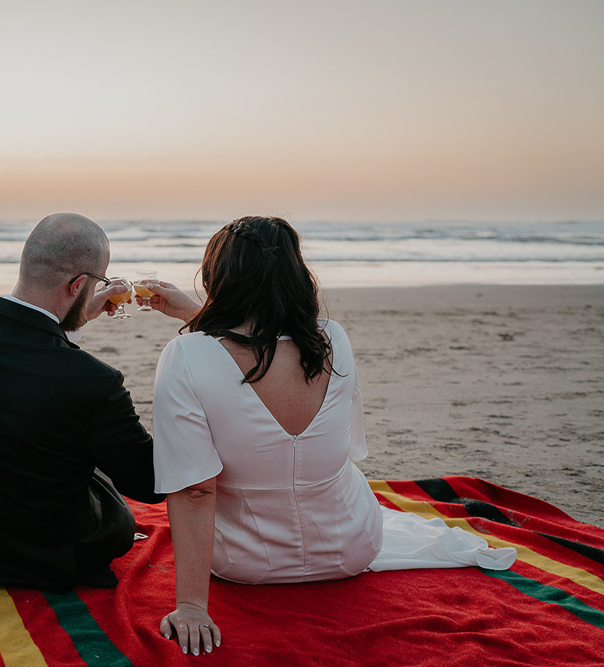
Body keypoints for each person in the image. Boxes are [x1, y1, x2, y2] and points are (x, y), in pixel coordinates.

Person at [142, 216, 515, 657]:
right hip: (352, 548)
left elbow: (195, 491)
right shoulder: (332, 339)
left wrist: (191, 606)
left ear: (216, 277)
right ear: (297, 275)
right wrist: (197, 315)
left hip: (244, 563)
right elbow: (337, 434)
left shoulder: (184, 355)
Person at [0, 212, 164, 592]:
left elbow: (23, 360)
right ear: (78, 284)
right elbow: (150, 484)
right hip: (54, 561)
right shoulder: (93, 380)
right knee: (103, 483)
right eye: (96, 283)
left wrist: (78, 317)